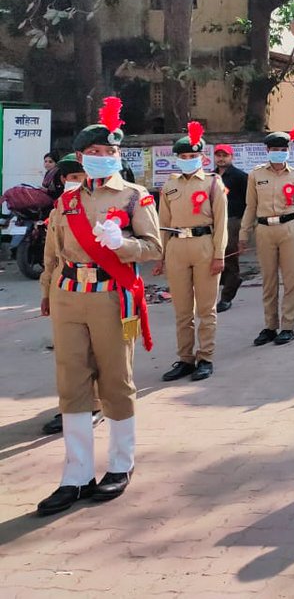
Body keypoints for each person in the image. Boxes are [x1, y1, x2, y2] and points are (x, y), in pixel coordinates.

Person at [36, 98, 162, 515]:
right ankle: (75, 474)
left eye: (111, 153)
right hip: (69, 295)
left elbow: (153, 248)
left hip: (113, 297)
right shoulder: (66, 203)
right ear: (81, 158)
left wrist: (120, 243)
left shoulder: (134, 197)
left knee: (115, 380)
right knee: (71, 383)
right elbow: (53, 256)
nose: (103, 159)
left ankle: (121, 465)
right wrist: (46, 293)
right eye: (95, 153)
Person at [156, 123, 227, 383]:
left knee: (206, 308)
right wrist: (161, 255)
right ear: (177, 159)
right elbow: (162, 222)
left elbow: (220, 222)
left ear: (201, 157)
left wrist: (219, 254)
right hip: (176, 246)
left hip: (204, 244)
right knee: (182, 309)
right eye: (183, 157)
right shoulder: (169, 186)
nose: (188, 161)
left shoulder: (212, 183)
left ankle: (205, 357)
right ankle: (185, 358)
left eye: (193, 157)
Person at [39, 156, 103, 437]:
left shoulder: (99, 207)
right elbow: (50, 257)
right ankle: (72, 406)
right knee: (69, 355)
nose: (74, 182)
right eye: (70, 178)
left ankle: (96, 404)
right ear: (62, 180)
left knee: (97, 349)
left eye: (80, 177)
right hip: (64, 287)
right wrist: (46, 293)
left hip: (99, 286)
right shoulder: (57, 212)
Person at [240, 128, 294, 347]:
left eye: (283, 149)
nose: (279, 153)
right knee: (269, 281)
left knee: (291, 280)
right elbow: (250, 206)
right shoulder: (256, 175)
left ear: (288, 151)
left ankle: (287, 326)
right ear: (267, 151)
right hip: (264, 230)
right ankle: (270, 326)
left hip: (289, 227)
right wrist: (243, 233)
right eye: (275, 149)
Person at [213, 144, 247, 312]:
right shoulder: (210, 177)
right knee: (213, 257)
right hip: (212, 222)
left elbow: (250, 202)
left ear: (231, 157)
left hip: (233, 221)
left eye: (224, 155)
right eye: (218, 155)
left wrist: (246, 226)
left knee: (229, 257)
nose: (221, 158)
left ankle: (226, 297)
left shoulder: (240, 177)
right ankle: (229, 283)